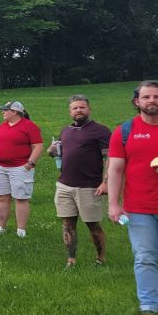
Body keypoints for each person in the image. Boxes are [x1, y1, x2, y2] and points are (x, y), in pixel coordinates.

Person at [108, 80, 158, 315]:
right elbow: (115, 170)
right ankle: (149, 306)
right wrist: (113, 205)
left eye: (156, 96)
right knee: (145, 257)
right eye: (147, 97)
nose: (152, 101)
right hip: (139, 208)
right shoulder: (125, 131)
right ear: (137, 101)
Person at [47, 94, 110, 269]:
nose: (78, 110)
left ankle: (100, 257)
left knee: (92, 224)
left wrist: (105, 182)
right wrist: (50, 151)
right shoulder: (65, 131)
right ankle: (71, 260)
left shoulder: (100, 131)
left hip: (89, 186)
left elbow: (109, 158)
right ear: (70, 112)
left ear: (89, 109)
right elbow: (57, 153)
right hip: (64, 185)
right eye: (75, 108)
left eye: (82, 107)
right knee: (67, 224)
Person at [0, 101, 44, 238]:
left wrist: (30, 163)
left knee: (21, 198)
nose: (2, 112)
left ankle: (21, 230)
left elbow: (38, 146)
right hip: (0, 168)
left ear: (14, 112)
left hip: (20, 168)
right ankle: (0, 227)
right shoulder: (2, 127)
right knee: (2, 197)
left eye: (5, 110)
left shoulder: (29, 126)